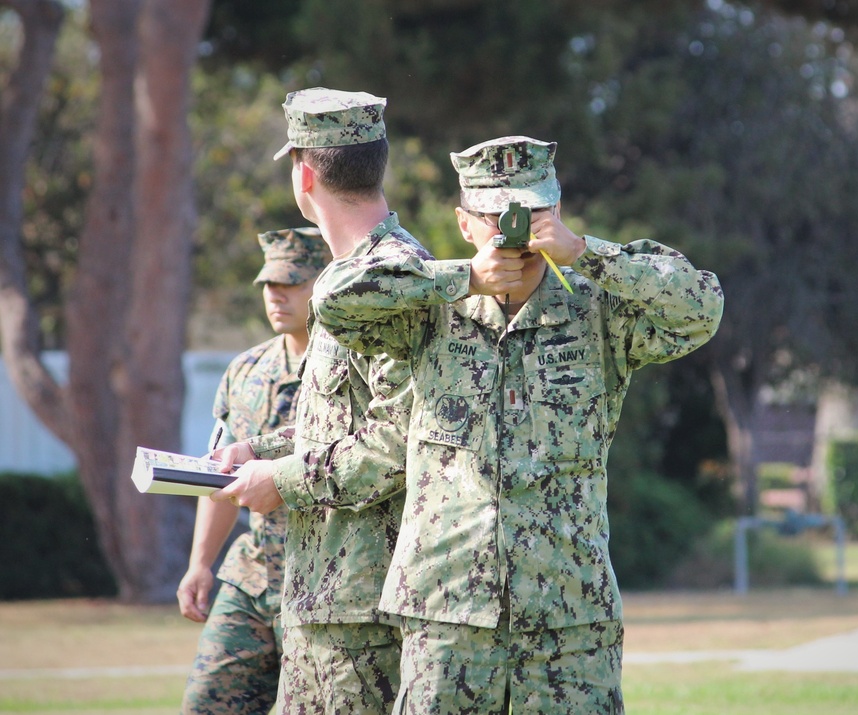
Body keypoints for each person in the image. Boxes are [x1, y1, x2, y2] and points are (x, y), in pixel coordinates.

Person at [311, 135, 725, 713]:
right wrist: (462, 279)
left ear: (556, 210)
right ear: (465, 224)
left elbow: (701, 306)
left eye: (534, 211)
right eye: (498, 215)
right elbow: (333, 300)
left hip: (569, 616)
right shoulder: (430, 310)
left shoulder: (595, 308)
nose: (517, 229)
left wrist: (585, 251)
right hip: (447, 611)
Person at [211, 88, 432, 714]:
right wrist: (259, 448)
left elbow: (400, 439)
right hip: (329, 595)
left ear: (304, 174)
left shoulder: (386, 278)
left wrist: (282, 478)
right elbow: (347, 416)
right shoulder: (358, 272)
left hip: (361, 605)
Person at [177, 227, 329, 715]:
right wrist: (201, 563)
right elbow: (219, 477)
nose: (275, 295)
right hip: (254, 574)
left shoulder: (357, 362)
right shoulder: (245, 369)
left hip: (323, 580)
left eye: (291, 282)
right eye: (268, 284)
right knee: (205, 705)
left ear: (324, 283)